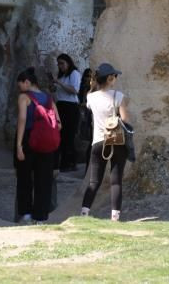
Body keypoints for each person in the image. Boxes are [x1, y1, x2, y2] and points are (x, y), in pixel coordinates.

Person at [81, 62, 131, 221]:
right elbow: (126, 121)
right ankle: (115, 217)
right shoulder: (118, 96)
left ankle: (84, 213)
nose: (115, 78)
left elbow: (90, 104)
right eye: (114, 76)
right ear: (110, 78)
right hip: (116, 141)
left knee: (94, 181)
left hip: (98, 141)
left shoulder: (90, 97)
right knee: (116, 181)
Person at [14, 67, 59, 223]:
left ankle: (26, 213)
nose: (20, 89)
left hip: (28, 139)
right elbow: (59, 124)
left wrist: (19, 145)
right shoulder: (48, 98)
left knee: (24, 177)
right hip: (47, 141)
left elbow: (22, 120)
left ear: (27, 82)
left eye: (20, 85)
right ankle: (40, 216)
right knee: (44, 179)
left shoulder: (24, 97)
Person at [53, 53, 82, 172]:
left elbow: (74, 90)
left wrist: (59, 83)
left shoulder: (74, 74)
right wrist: (53, 85)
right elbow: (59, 91)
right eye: (58, 64)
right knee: (60, 135)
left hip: (70, 107)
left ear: (68, 63)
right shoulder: (62, 76)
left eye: (62, 63)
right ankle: (64, 162)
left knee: (68, 136)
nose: (60, 66)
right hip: (61, 105)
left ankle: (69, 163)